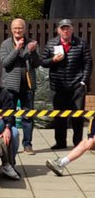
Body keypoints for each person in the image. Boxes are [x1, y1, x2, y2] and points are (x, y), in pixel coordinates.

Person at [40, 20, 93, 149]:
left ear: (72, 29)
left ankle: (77, 143)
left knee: (77, 116)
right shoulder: (51, 43)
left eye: (67, 28)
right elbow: (42, 61)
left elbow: (88, 63)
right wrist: (53, 60)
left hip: (76, 85)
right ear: (58, 30)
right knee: (59, 116)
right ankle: (60, 143)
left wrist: (83, 81)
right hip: (58, 86)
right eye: (63, 28)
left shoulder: (81, 43)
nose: (65, 31)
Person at [0, 18, 40, 153]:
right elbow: (5, 63)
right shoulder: (5, 44)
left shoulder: (31, 43)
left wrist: (33, 52)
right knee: (9, 116)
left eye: (20, 28)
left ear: (24, 29)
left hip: (27, 85)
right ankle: (10, 143)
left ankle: (27, 145)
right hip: (10, 86)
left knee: (27, 117)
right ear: (11, 30)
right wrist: (16, 49)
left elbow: (36, 64)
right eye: (15, 28)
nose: (18, 30)